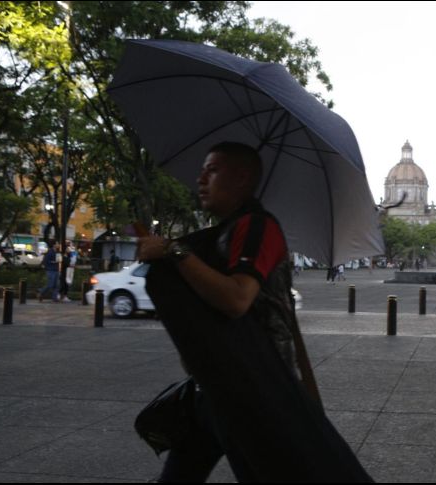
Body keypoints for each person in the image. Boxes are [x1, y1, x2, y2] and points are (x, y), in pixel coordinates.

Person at [137, 142, 372, 483]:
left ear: (242, 178)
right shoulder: (227, 231)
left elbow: (236, 299)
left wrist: (173, 250)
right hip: (218, 386)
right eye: (203, 169)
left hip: (254, 390)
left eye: (213, 170)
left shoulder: (257, 227)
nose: (201, 178)